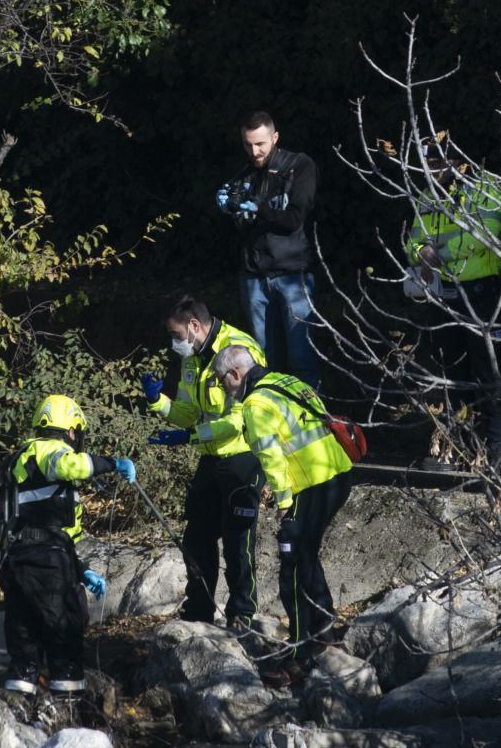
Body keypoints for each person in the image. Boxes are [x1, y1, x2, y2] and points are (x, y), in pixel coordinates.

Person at [212, 344, 353, 688]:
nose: (223, 389)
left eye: (222, 381)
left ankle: (301, 655)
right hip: (339, 474)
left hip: (311, 483)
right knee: (306, 554)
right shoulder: (287, 382)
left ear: (235, 374)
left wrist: (285, 503)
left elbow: (271, 458)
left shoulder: (255, 405)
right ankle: (324, 629)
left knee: (291, 563)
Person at [141, 295, 267, 630]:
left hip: (242, 455)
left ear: (195, 326)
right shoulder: (192, 359)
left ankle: (242, 613)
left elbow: (243, 420)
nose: (174, 343)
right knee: (196, 538)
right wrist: (158, 402)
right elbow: (187, 414)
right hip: (211, 456)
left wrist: (192, 436)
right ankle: (199, 609)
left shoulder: (239, 351)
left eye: (176, 335)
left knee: (238, 541)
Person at [0, 394, 136, 694]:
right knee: (65, 631)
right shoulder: (51, 451)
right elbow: (70, 466)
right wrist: (112, 463)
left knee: (25, 642)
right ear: (71, 430)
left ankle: (19, 706)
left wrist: (81, 569)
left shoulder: (21, 456)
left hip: (19, 560)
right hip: (46, 562)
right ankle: (69, 706)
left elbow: (55, 530)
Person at [403, 148, 501, 470]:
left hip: (481, 295)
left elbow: (485, 234)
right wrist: (421, 254)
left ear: (456, 159)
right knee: (450, 375)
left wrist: (439, 254)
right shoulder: (427, 196)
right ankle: (456, 450)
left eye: (437, 163)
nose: (431, 170)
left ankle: (498, 455)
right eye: (428, 164)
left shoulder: (486, 189)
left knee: (490, 373)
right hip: (445, 295)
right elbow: (413, 241)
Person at [216, 110, 320, 388]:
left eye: (261, 143)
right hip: (254, 277)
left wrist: (259, 209)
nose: (255, 150)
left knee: (302, 357)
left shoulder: (299, 165)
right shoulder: (244, 176)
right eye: (248, 144)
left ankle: (308, 420)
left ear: (275, 137)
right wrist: (232, 209)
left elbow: (295, 218)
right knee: (263, 359)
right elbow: (242, 227)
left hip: (292, 275)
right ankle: (270, 416)